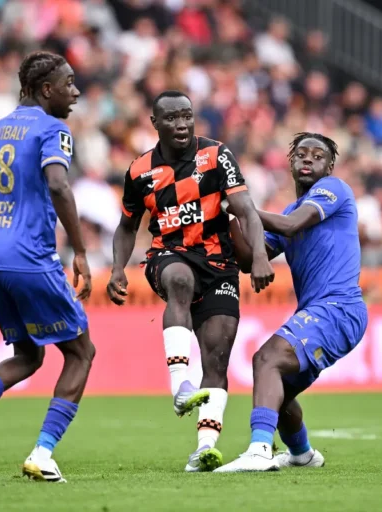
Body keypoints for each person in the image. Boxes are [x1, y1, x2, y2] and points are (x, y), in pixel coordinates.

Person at [0, 51, 95, 483]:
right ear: (46, 89)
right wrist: (80, 251)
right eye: (68, 83)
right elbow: (58, 184)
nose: (75, 92)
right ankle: (43, 453)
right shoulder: (52, 129)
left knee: (29, 355)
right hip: (29, 257)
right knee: (81, 352)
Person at [107, 91, 274, 472]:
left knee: (216, 359)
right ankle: (180, 384)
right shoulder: (139, 171)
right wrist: (118, 268)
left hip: (219, 264)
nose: (181, 124)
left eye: (187, 116)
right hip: (168, 255)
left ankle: (204, 449)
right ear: (155, 123)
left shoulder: (216, 155)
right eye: (171, 118)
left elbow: (246, 210)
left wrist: (260, 255)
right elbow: (127, 226)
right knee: (179, 281)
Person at [215, 132, 368, 472]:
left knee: (266, 358)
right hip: (324, 311)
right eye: (301, 154)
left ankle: (259, 450)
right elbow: (249, 259)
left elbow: (291, 225)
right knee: (277, 389)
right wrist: (225, 217)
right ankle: (302, 454)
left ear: (330, 166)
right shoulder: (289, 210)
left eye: (317, 155)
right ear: (291, 162)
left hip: (338, 307)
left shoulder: (334, 190)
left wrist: (240, 206)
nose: (308, 158)